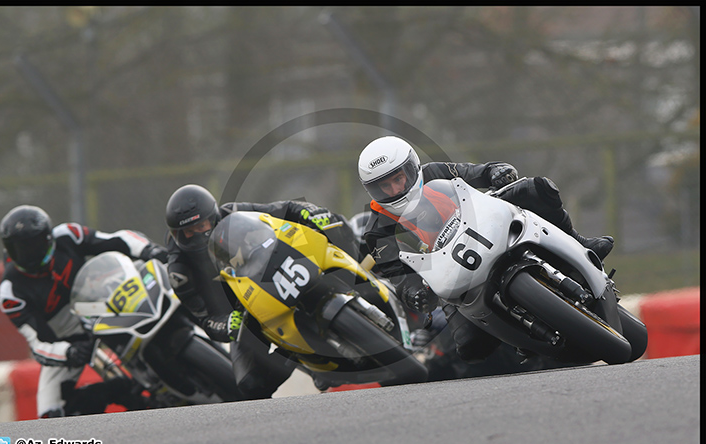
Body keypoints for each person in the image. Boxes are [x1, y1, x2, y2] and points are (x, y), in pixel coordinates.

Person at [356, 135, 614, 364]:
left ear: (411, 168)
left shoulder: (434, 172)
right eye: (384, 186)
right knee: (471, 348)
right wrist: (414, 293)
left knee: (538, 189)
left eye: (398, 179)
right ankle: (522, 338)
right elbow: (397, 274)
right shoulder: (376, 229)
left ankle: (580, 243)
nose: (395, 190)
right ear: (371, 190)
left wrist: (496, 171)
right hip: (452, 275)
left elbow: (474, 172)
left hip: (485, 225)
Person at [164, 184, 359, 398]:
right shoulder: (179, 273)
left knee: (332, 223)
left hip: (277, 271)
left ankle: (362, 281)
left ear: (214, 217)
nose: (195, 236)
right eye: (187, 232)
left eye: (200, 226)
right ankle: (302, 356)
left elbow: (284, 208)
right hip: (247, 311)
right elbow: (206, 320)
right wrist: (229, 323)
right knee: (250, 385)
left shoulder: (234, 213)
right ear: (176, 234)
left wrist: (309, 212)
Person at [0, 205, 169, 418]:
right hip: (70, 341)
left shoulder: (69, 235)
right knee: (49, 415)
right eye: (20, 248)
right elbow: (38, 344)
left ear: (48, 237)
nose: (29, 254)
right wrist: (68, 352)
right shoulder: (10, 292)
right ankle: (116, 391)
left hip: (109, 308)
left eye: (34, 244)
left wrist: (147, 249)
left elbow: (118, 240)